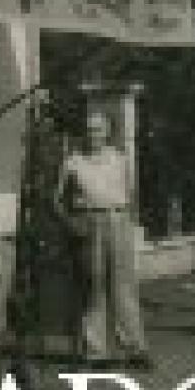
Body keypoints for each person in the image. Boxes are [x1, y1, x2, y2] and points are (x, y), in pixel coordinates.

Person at [55, 107, 152, 371]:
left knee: (124, 286)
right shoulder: (73, 162)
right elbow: (57, 201)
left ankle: (135, 348)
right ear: (82, 133)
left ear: (107, 132)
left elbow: (131, 194)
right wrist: (72, 224)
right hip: (89, 223)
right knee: (93, 286)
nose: (93, 135)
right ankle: (95, 351)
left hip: (118, 221)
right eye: (88, 130)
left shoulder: (120, 159)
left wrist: (128, 222)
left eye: (98, 129)